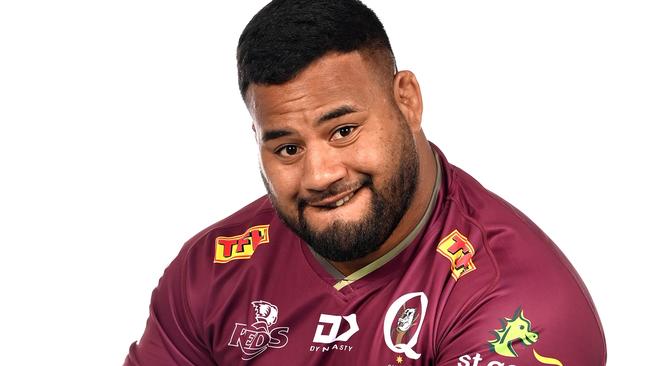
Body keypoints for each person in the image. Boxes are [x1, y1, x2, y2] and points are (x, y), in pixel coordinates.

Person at [124, 0, 606, 365]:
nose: (320, 176)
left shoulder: (518, 304)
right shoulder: (209, 272)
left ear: (407, 101)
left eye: (343, 131)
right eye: (287, 148)